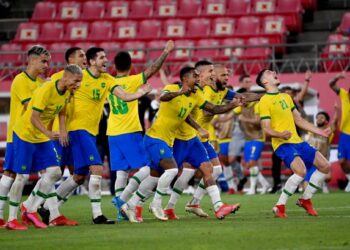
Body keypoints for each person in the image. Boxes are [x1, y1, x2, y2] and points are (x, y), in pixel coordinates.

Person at [121, 66, 243, 223]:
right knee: (163, 172)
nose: (199, 78)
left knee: (206, 169)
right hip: (156, 137)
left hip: (180, 139)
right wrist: (179, 92)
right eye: (196, 76)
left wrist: (233, 105)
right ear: (186, 79)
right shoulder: (172, 88)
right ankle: (150, 203)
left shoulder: (196, 95)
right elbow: (164, 97)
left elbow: (210, 108)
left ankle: (218, 205)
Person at [47, 47, 152, 225]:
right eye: (102, 57)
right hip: (77, 129)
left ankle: (48, 208)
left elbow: (124, 95)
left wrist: (140, 93)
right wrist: (61, 128)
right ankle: (97, 215)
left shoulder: (107, 79)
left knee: (79, 176)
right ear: (92, 61)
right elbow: (55, 91)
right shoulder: (77, 76)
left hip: (91, 132)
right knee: (96, 168)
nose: (106, 60)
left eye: (106, 56)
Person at [6, 64, 82, 230]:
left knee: (55, 172)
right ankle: (11, 219)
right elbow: (33, 117)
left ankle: (29, 207)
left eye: (80, 82)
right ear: (66, 77)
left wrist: (62, 131)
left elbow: (61, 111)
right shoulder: (47, 89)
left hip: (41, 137)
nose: (78, 85)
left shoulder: (67, 92)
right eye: (76, 81)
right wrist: (48, 133)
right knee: (21, 177)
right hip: (25, 134)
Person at [109, 40, 174, 221]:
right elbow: (153, 68)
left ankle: (121, 212)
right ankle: (122, 200)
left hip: (112, 133)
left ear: (115, 66)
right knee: (150, 166)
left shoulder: (109, 82)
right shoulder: (133, 80)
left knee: (121, 172)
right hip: (129, 131)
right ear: (131, 65)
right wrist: (166, 51)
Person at [256, 69, 331, 218]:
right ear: (265, 82)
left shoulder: (286, 97)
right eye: (270, 72)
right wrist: (280, 134)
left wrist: (319, 131)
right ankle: (280, 205)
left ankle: (305, 199)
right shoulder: (264, 101)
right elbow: (266, 128)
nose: (274, 72)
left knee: (325, 166)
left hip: (297, 141)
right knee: (301, 171)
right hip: (282, 144)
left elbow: (299, 120)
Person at [0, 45, 49, 227]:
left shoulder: (39, 83)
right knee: (11, 173)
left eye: (47, 61)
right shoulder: (21, 80)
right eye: (43, 61)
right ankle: (6, 215)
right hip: (18, 134)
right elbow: (32, 106)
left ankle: (25, 210)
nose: (46, 65)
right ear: (32, 60)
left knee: (18, 174)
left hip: (33, 135)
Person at [270, 71, 312, 193]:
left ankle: (297, 185)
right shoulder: (276, 103)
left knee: (297, 163)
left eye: (290, 93)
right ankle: (277, 184)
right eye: (286, 93)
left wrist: (307, 81)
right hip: (280, 139)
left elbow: (302, 94)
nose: (289, 95)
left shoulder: (294, 102)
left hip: (295, 138)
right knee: (276, 162)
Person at [235, 101, 270, 195]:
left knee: (252, 163)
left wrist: (244, 119)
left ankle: (252, 188)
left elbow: (258, 120)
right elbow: (232, 112)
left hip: (258, 138)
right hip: (248, 138)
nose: (240, 100)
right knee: (250, 165)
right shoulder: (241, 106)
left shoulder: (256, 105)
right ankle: (265, 184)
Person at [304, 107, 339, 192]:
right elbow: (304, 120)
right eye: (318, 117)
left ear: (326, 121)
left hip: (323, 159)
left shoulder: (328, 131)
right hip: (311, 159)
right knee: (306, 187)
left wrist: (337, 111)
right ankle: (309, 190)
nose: (319, 119)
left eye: (321, 117)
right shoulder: (312, 129)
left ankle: (321, 183)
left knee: (328, 177)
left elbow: (334, 123)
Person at [329, 72, 350, 192]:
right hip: (344, 135)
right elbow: (331, 84)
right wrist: (337, 77)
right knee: (342, 161)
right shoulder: (344, 95)